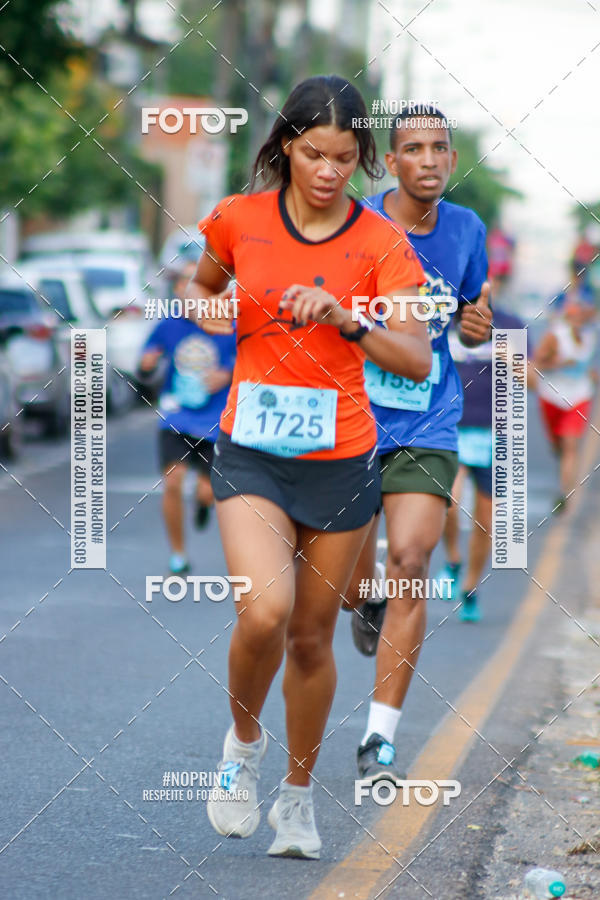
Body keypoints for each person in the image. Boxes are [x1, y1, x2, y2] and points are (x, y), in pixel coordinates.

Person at [189, 75, 431, 859]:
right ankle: (242, 750)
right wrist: (217, 312)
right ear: (286, 147)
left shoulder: (381, 244)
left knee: (310, 640)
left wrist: (348, 320)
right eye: (313, 153)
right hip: (252, 449)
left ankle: (297, 796)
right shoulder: (237, 219)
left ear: (362, 158)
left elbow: (417, 358)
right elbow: (200, 290)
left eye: (345, 157)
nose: (328, 170)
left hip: (342, 460)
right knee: (263, 613)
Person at [346, 106, 492, 784]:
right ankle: (363, 599)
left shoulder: (467, 230)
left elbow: (468, 324)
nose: (428, 160)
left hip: (428, 419)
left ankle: (379, 739)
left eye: (439, 148)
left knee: (411, 556)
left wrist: (477, 328)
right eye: (414, 149)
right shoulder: (357, 226)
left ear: (452, 161)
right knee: (343, 583)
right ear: (392, 162)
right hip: (350, 419)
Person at [138, 261, 236, 574]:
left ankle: (204, 503)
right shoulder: (168, 325)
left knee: (207, 491)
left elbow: (253, 364)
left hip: (216, 422)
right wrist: (148, 364)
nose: (189, 289)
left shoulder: (228, 324)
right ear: (179, 290)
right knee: (173, 482)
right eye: (183, 283)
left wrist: (228, 374)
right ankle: (178, 554)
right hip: (175, 417)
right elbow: (144, 368)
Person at [435, 305, 531, 621]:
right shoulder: (444, 319)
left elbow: (532, 379)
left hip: (496, 434)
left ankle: (470, 588)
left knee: (486, 521)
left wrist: (509, 356)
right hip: (453, 429)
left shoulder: (509, 322)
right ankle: (452, 559)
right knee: (449, 500)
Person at [535, 295, 597, 512]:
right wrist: (560, 362)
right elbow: (537, 364)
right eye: (575, 316)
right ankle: (562, 461)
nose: (580, 320)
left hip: (579, 396)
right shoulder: (555, 336)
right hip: (551, 396)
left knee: (570, 445)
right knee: (558, 445)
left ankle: (564, 494)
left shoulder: (591, 337)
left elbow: (587, 366)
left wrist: (592, 375)